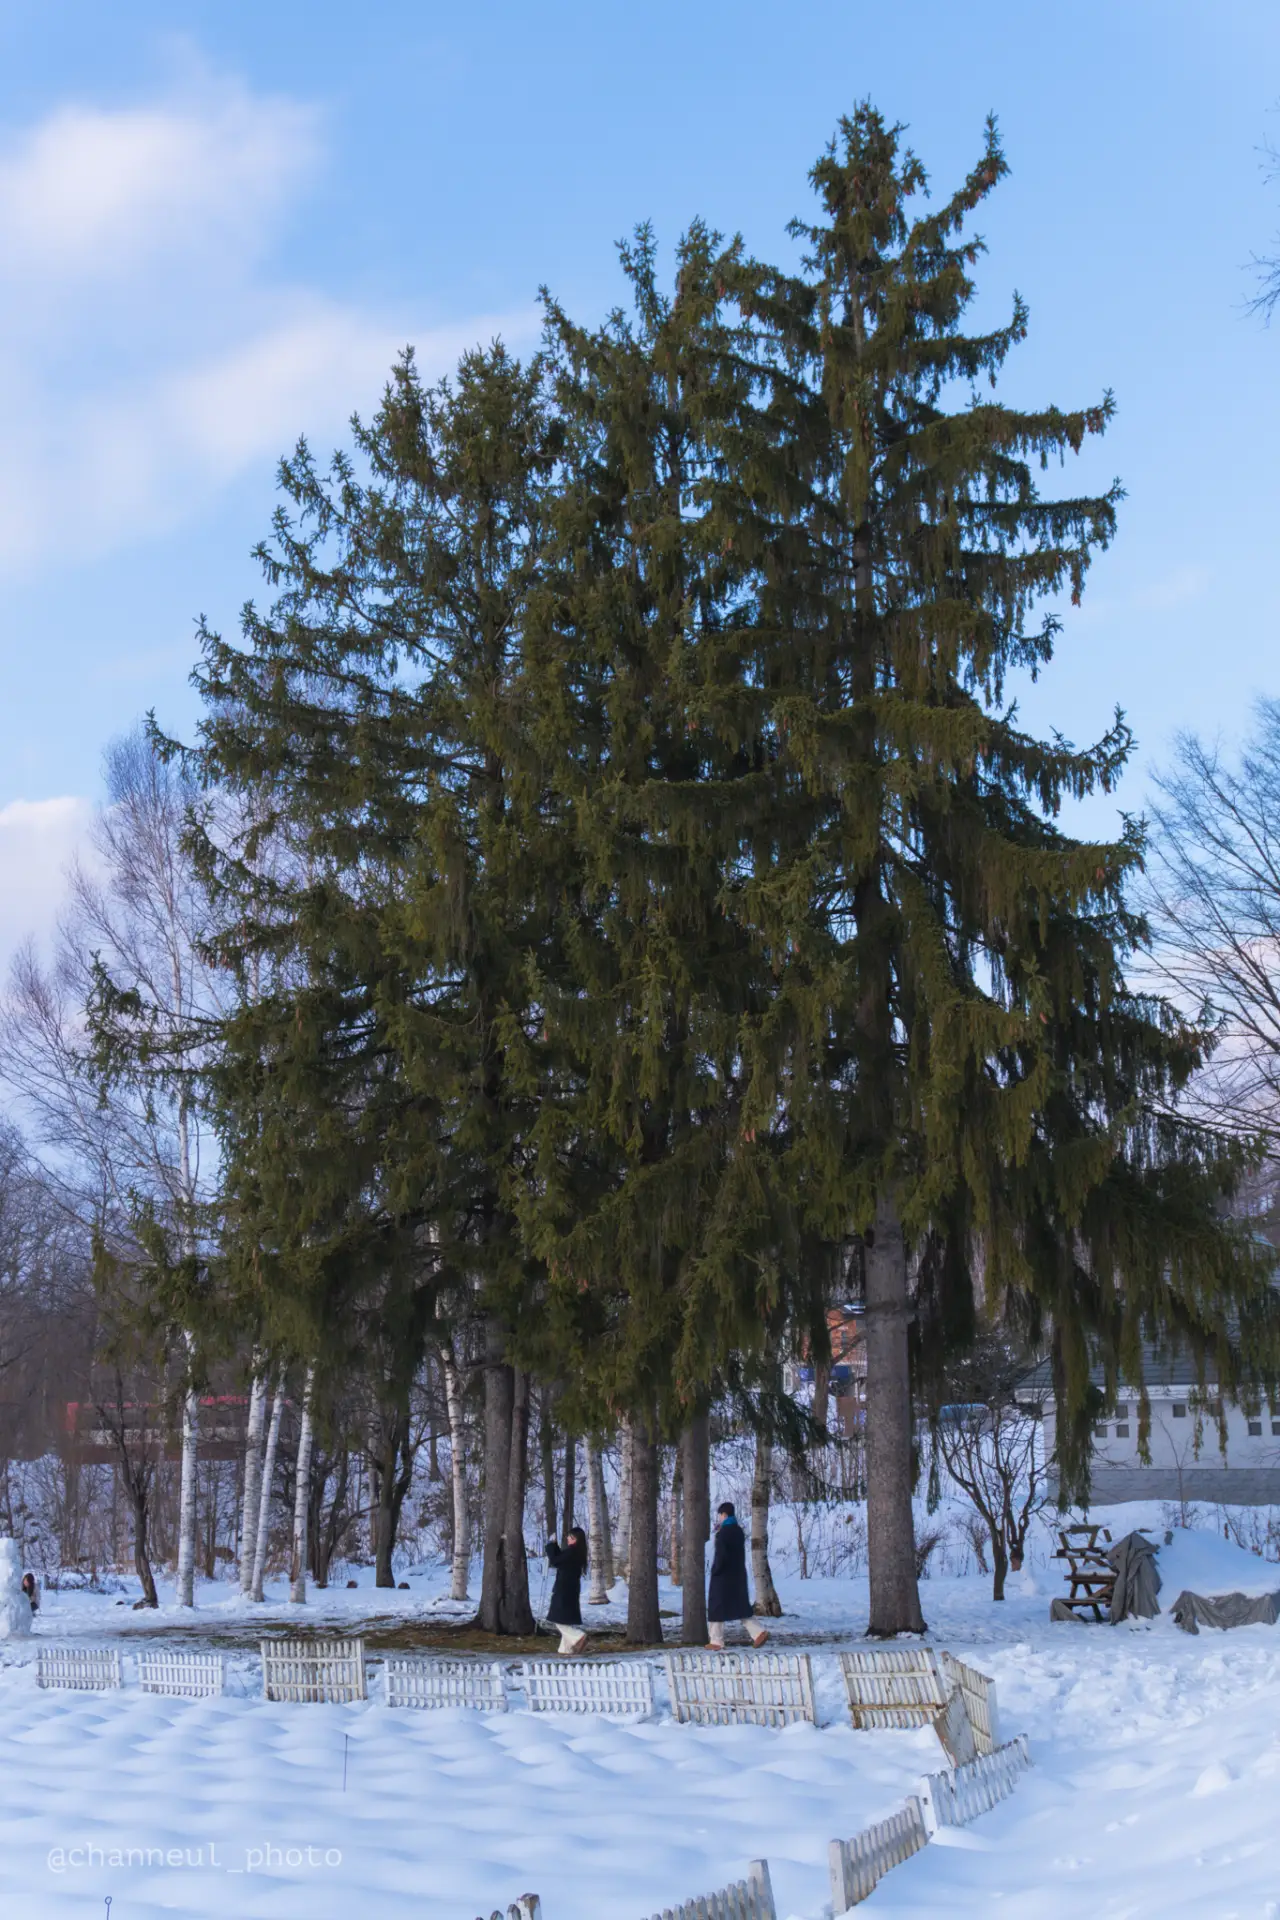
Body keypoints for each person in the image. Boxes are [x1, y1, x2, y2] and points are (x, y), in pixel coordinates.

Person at [706, 1501, 768, 1650]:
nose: (719, 1518)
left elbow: (721, 1556)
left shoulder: (723, 1534)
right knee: (740, 1606)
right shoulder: (739, 1531)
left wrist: (715, 1570)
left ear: (724, 1514)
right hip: (738, 1575)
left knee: (716, 1608)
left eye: (720, 1515)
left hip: (723, 1577)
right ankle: (758, 1632)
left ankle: (716, 1641)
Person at [545, 1524, 589, 1655]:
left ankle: (578, 1637)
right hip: (571, 1588)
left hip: (564, 1589)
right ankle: (565, 1651)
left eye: (571, 1537)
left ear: (576, 1540)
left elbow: (555, 1561)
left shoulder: (571, 1552)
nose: (568, 1539)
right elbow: (560, 1559)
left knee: (558, 1619)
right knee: (564, 1620)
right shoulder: (577, 1552)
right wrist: (554, 1546)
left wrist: (551, 1545)